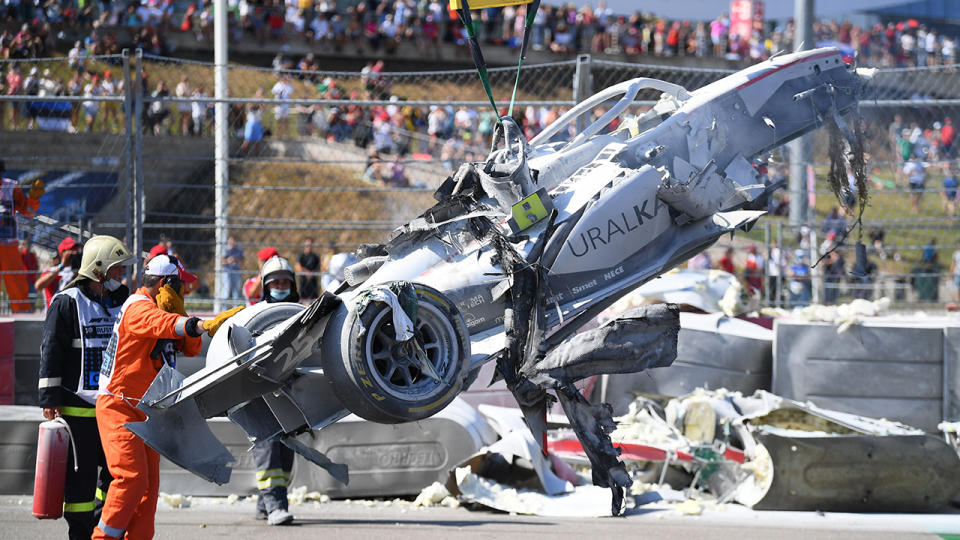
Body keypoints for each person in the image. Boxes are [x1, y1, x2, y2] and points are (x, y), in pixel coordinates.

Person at [93, 255, 241, 539]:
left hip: (146, 408)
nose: (185, 291)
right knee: (131, 479)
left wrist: (181, 312)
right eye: (180, 287)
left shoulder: (163, 310)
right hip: (119, 407)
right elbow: (161, 324)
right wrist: (200, 324)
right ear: (164, 284)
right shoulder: (138, 307)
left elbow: (190, 349)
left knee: (148, 488)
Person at [38, 235, 134, 540]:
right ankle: (79, 533)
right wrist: (49, 397)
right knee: (79, 482)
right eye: (117, 268)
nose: (122, 274)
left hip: (114, 408)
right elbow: (52, 350)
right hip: (76, 409)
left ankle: (104, 528)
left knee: (115, 476)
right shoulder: (66, 302)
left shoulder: (124, 299)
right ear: (99, 269)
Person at [251, 256, 298, 526]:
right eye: (275, 282)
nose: (280, 286)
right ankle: (276, 505)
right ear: (266, 286)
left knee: (286, 451)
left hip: (291, 393)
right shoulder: (255, 315)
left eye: (284, 282)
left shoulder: (303, 313)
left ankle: (264, 505)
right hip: (260, 393)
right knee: (267, 446)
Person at [1, 160, 44, 312]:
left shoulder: (11, 187)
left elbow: (28, 213)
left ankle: (21, 314)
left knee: (16, 281)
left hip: (8, 243)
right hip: (9, 243)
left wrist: (33, 199)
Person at [36, 237, 83, 309]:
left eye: (76, 250)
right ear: (62, 253)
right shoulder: (52, 271)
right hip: (55, 313)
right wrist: (61, 266)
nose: (75, 252)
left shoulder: (81, 271)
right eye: (71, 249)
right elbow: (39, 286)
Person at [221, 236, 244, 300]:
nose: (232, 243)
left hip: (236, 272)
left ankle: (236, 308)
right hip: (227, 272)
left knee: (236, 292)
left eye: (233, 242)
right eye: (230, 241)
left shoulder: (239, 250)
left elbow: (242, 261)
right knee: (226, 291)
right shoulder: (224, 250)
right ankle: (224, 309)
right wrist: (228, 261)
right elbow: (221, 262)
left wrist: (235, 259)